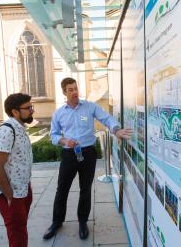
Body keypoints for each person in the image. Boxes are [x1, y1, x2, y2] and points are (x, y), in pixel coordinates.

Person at [43, 77, 132, 240]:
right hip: (69, 154)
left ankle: (83, 222)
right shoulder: (59, 113)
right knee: (62, 189)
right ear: (64, 92)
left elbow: (106, 118)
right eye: (70, 90)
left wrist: (116, 129)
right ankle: (56, 222)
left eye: (76, 88)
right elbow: (54, 135)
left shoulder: (90, 107)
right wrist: (64, 141)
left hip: (88, 153)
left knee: (85, 189)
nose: (74, 92)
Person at [0, 93, 35, 247]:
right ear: (15, 111)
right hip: (12, 194)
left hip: (23, 189)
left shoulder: (20, 128)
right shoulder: (7, 131)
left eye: (31, 106)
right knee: (17, 234)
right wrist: (9, 195)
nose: (32, 110)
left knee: (20, 229)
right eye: (28, 107)